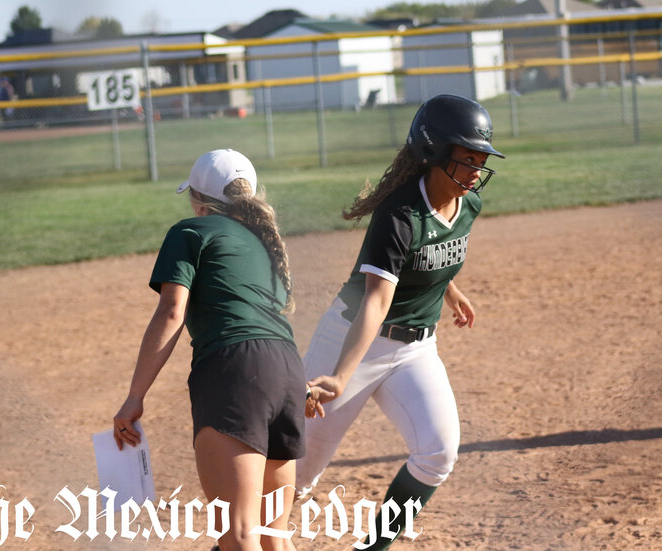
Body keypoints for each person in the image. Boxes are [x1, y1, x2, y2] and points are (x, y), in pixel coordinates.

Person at [297, 94, 505, 550]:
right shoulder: (398, 214)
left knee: (437, 453)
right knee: (294, 474)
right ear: (433, 152)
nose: (476, 170)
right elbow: (376, 299)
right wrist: (339, 376)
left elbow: (432, 255)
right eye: (466, 158)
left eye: (482, 159)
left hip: (414, 350)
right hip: (350, 343)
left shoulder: (466, 205)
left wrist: (449, 290)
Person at [113, 149, 306, 551]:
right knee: (274, 537)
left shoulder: (191, 232)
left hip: (234, 373)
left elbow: (171, 312)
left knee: (239, 534)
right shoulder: (266, 243)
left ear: (199, 201)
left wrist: (135, 397)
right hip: (288, 371)